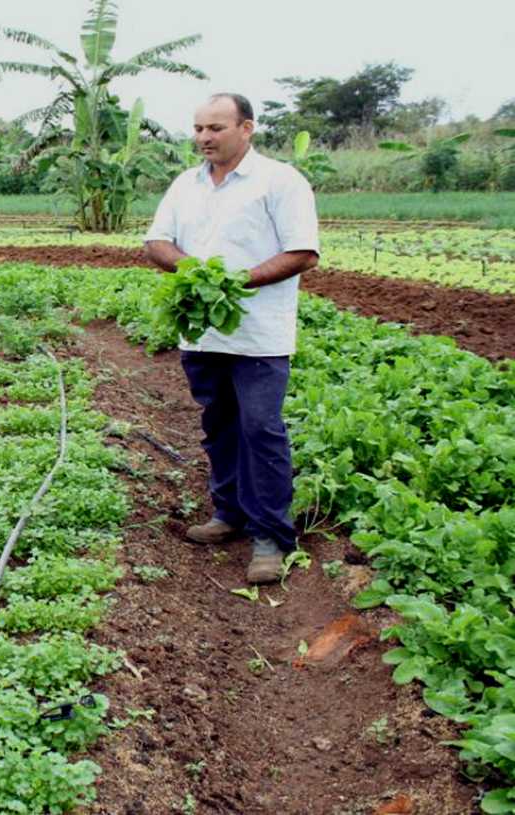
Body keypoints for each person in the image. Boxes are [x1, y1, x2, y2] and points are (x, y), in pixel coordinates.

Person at [143, 93, 320, 584]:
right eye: (198, 128)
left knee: (261, 430)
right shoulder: (186, 184)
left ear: (247, 129)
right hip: (202, 336)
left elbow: (303, 252)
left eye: (215, 128)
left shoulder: (280, 181)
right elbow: (156, 241)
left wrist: (237, 280)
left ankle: (271, 537)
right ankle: (229, 514)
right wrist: (195, 271)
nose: (203, 137)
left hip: (260, 337)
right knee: (218, 424)